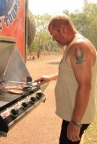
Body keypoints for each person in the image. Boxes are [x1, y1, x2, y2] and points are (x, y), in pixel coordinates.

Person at [35, 14, 97, 144]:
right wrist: (50, 78)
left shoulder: (78, 47)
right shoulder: (74, 45)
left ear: (63, 28)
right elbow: (72, 72)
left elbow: (85, 85)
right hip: (75, 113)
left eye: (53, 34)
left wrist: (75, 123)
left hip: (77, 116)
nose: (53, 38)